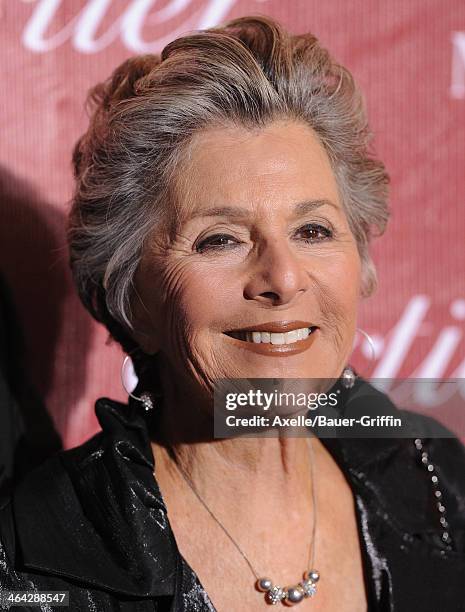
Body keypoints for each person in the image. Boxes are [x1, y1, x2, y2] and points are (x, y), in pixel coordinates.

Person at [1, 15, 464, 612]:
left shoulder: (442, 486)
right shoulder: (32, 563)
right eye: (219, 240)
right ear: (132, 296)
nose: (284, 278)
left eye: (313, 229)